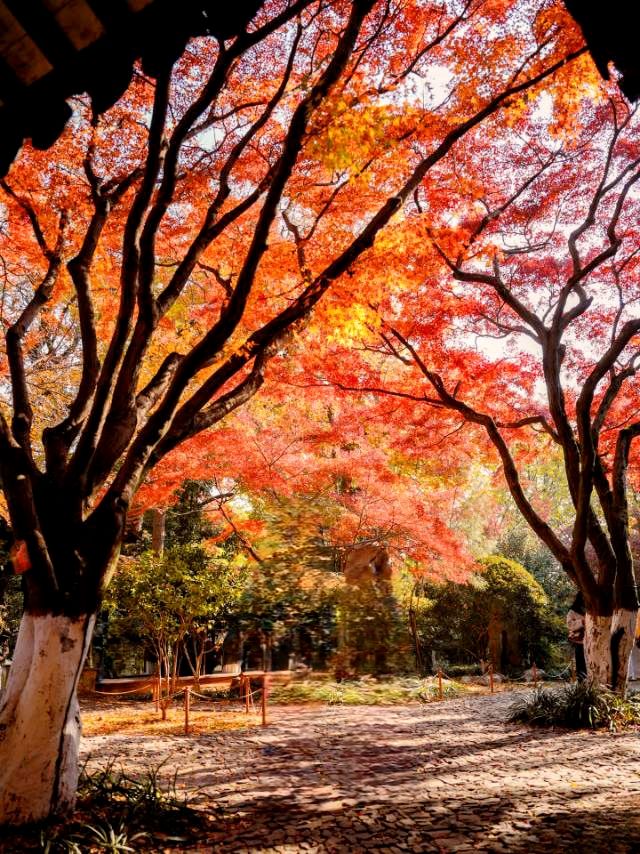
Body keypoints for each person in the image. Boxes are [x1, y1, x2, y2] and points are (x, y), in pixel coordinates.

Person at [567, 592, 587, 680]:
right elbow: (569, 624)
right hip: (580, 641)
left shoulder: (593, 608)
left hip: (593, 641)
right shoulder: (573, 611)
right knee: (581, 662)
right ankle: (581, 684)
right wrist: (581, 622)